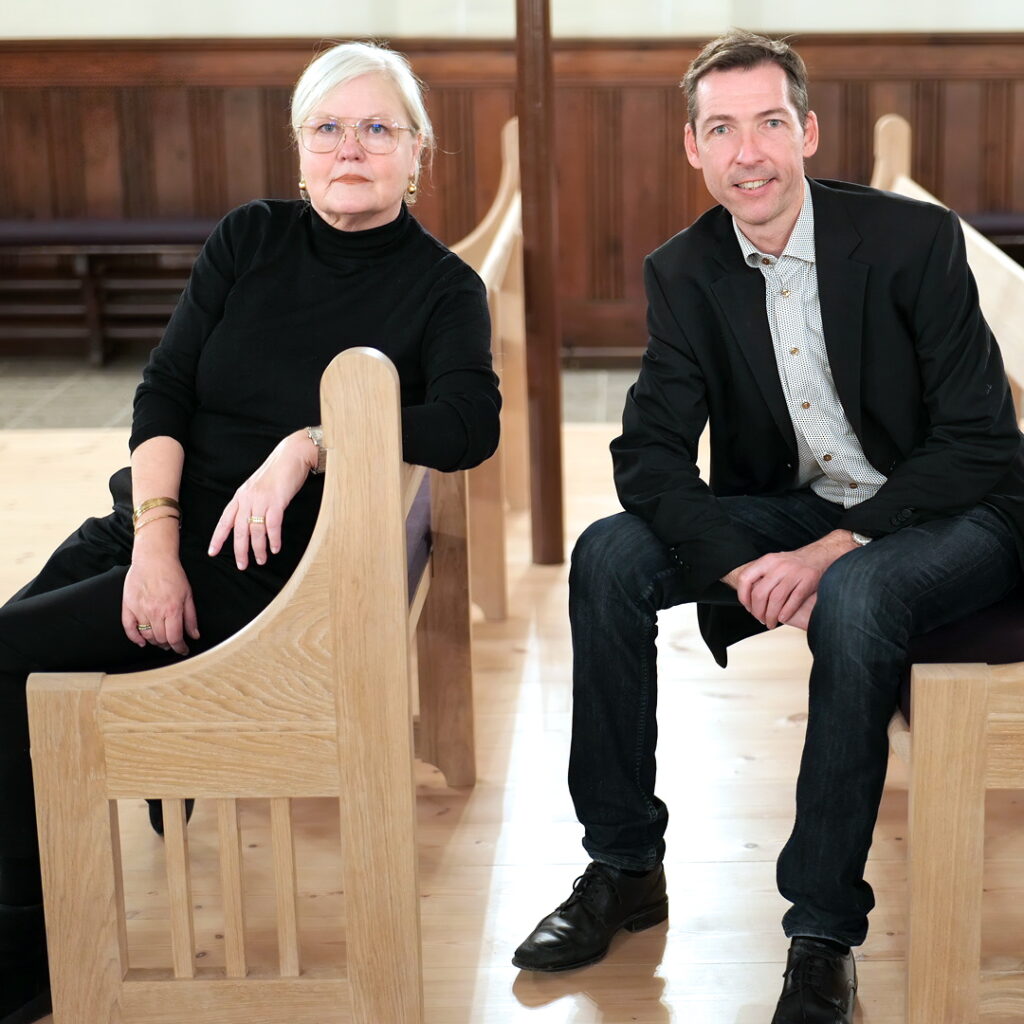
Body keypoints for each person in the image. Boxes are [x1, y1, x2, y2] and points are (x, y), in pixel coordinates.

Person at [513, 29, 1024, 1024]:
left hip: (954, 507)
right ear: (693, 149)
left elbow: (979, 443)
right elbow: (646, 459)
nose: (747, 152)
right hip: (799, 503)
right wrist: (748, 562)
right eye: (721, 129)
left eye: (768, 124)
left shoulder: (913, 242)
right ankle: (621, 867)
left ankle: (822, 928)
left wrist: (829, 551)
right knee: (607, 554)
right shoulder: (685, 271)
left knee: (860, 593)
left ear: (806, 133)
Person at [0, 40, 500, 1024]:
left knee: (11, 666)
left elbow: (467, 424)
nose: (348, 147)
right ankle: (71, 867)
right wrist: (151, 540)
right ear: (298, 146)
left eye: (375, 128)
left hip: (266, 570)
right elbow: (165, 389)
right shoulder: (250, 238)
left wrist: (314, 441)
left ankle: (25, 954)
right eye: (326, 128)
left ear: (416, 154)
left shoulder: (441, 288)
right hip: (162, 523)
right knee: (18, 660)